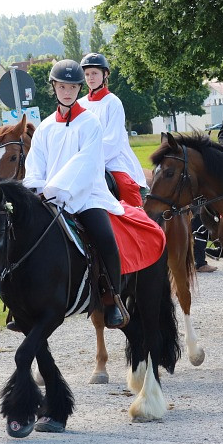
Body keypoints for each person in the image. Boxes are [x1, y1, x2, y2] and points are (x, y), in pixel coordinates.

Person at [23, 60, 132, 327]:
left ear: (78, 88)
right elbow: (35, 165)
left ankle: (112, 300)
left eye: (73, 87)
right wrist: (36, 190)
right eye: (62, 86)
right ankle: (20, 303)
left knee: (106, 239)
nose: (68, 92)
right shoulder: (45, 127)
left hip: (86, 195)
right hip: (48, 197)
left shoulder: (90, 123)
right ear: (54, 88)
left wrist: (54, 190)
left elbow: (85, 164)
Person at [77, 53, 147, 207]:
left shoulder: (113, 103)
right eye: (87, 74)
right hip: (83, 159)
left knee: (125, 186)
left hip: (112, 159)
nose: (90, 78)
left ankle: (140, 218)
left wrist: (90, 159)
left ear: (105, 74)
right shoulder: (79, 104)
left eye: (94, 73)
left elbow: (112, 141)